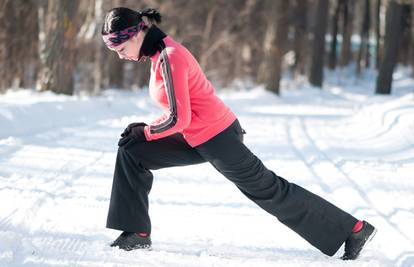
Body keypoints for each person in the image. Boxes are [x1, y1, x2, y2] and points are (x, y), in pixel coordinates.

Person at [101, 7, 376, 260]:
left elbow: (178, 117)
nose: (120, 55)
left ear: (137, 34)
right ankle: (136, 233)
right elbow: (181, 110)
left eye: (121, 47)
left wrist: (147, 131)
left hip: (218, 137)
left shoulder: (169, 57)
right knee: (131, 151)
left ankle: (353, 229)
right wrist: (143, 133)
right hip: (194, 136)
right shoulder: (157, 54)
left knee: (269, 191)